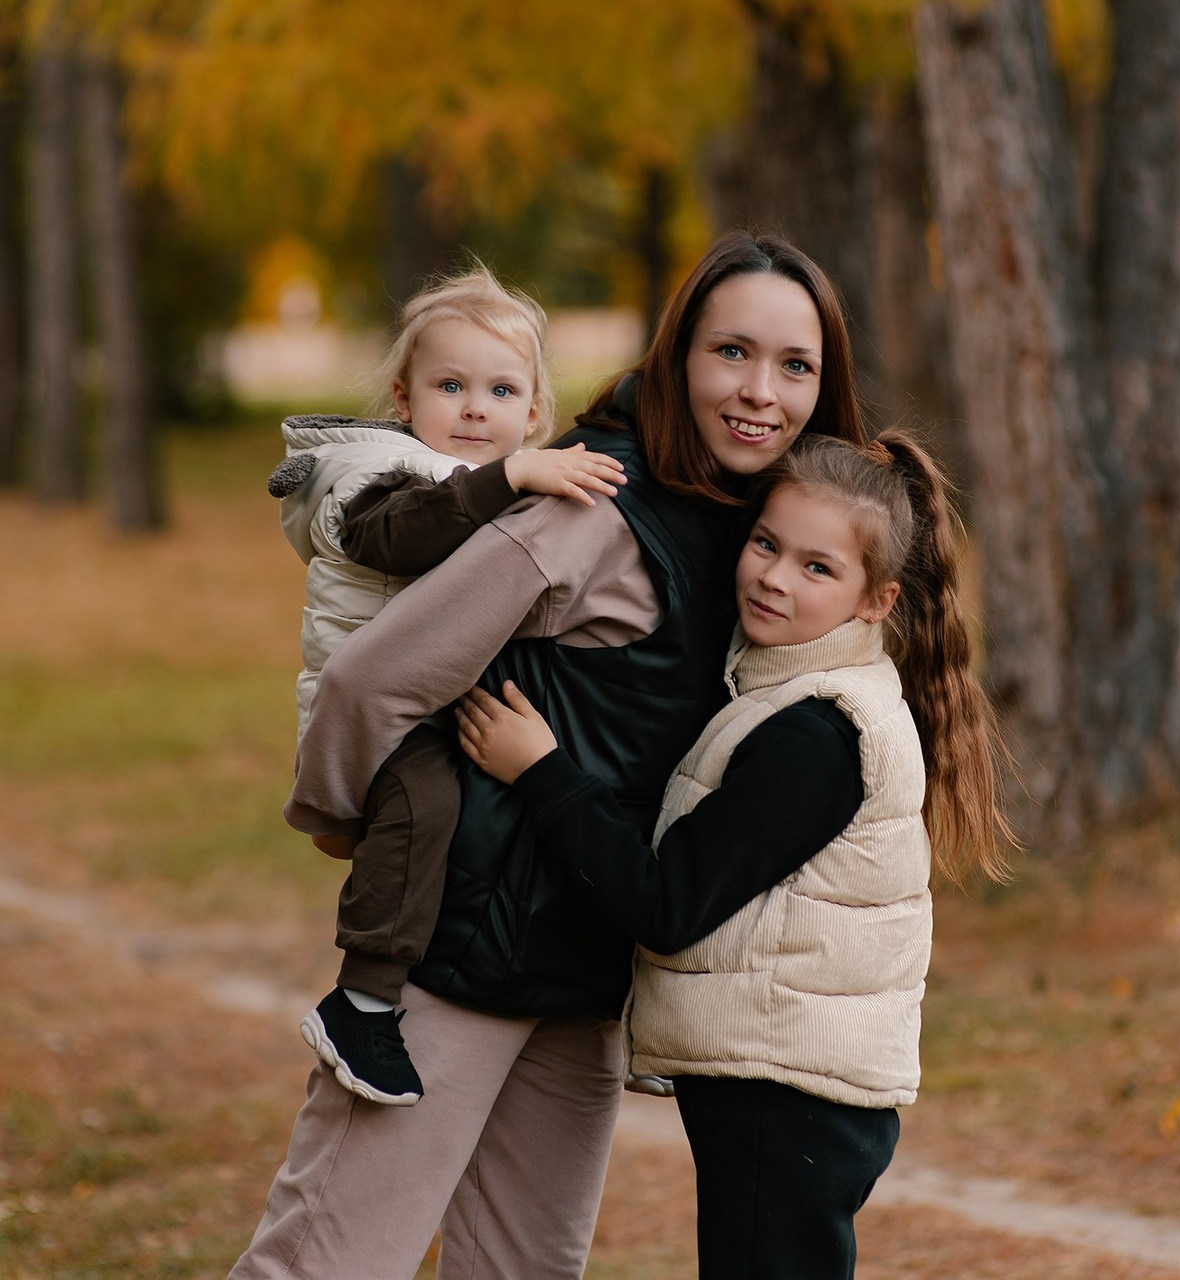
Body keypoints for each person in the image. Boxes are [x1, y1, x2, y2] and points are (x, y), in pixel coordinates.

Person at [227, 230, 867, 1280]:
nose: (761, 390)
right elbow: (370, 680)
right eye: (731, 352)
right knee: (327, 1263)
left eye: (794, 365)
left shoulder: (768, 532)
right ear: (678, 355)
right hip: (457, 960)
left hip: (586, 976)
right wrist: (346, 819)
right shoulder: (593, 503)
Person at [457, 431, 1015, 1279]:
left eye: (817, 567)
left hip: (788, 1097)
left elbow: (665, 905)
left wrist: (542, 772)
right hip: (784, 1086)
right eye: (766, 544)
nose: (775, 577)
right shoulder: (785, 690)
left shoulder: (817, 735)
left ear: (877, 600)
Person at [267, 264, 626, 1106]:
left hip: (432, 703)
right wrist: (514, 476)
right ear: (404, 398)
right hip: (375, 723)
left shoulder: (485, 488)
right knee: (426, 801)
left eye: (501, 390)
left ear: (532, 413)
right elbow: (404, 538)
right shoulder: (377, 473)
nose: (474, 408)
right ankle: (362, 1000)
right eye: (450, 385)